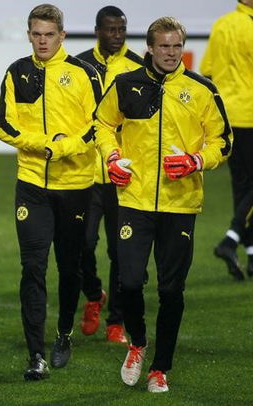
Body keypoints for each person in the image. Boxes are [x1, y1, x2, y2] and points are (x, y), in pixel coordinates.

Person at [94, 17, 232, 392]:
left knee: (171, 290)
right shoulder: (126, 84)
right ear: (150, 48)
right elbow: (102, 124)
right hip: (135, 201)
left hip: (181, 203)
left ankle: (160, 368)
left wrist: (197, 160)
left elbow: (222, 141)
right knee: (130, 281)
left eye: (176, 46)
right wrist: (112, 157)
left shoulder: (202, 90)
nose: (171, 53)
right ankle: (138, 342)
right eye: (164, 46)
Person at [0, 3, 101, 380]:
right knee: (32, 268)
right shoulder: (17, 72)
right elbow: (4, 126)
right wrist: (44, 144)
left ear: (62, 36)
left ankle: (64, 333)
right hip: (32, 187)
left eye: (49, 35)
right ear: (29, 35)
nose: (42, 41)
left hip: (75, 186)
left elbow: (98, 127)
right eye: (36, 34)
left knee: (69, 267)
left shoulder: (84, 74)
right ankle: (36, 354)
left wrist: (64, 147)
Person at [75, 6, 143, 343]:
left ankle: (116, 320)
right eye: (110, 29)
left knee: (120, 249)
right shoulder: (78, 65)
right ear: (97, 30)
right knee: (83, 244)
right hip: (86, 172)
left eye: (121, 29)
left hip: (123, 174)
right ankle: (93, 294)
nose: (117, 35)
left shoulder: (138, 66)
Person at [200, 0, 253, 281]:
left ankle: (252, 254)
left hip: (229, 117)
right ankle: (230, 240)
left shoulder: (221, 24)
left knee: (243, 187)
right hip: (251, 113)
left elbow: (206, 70)